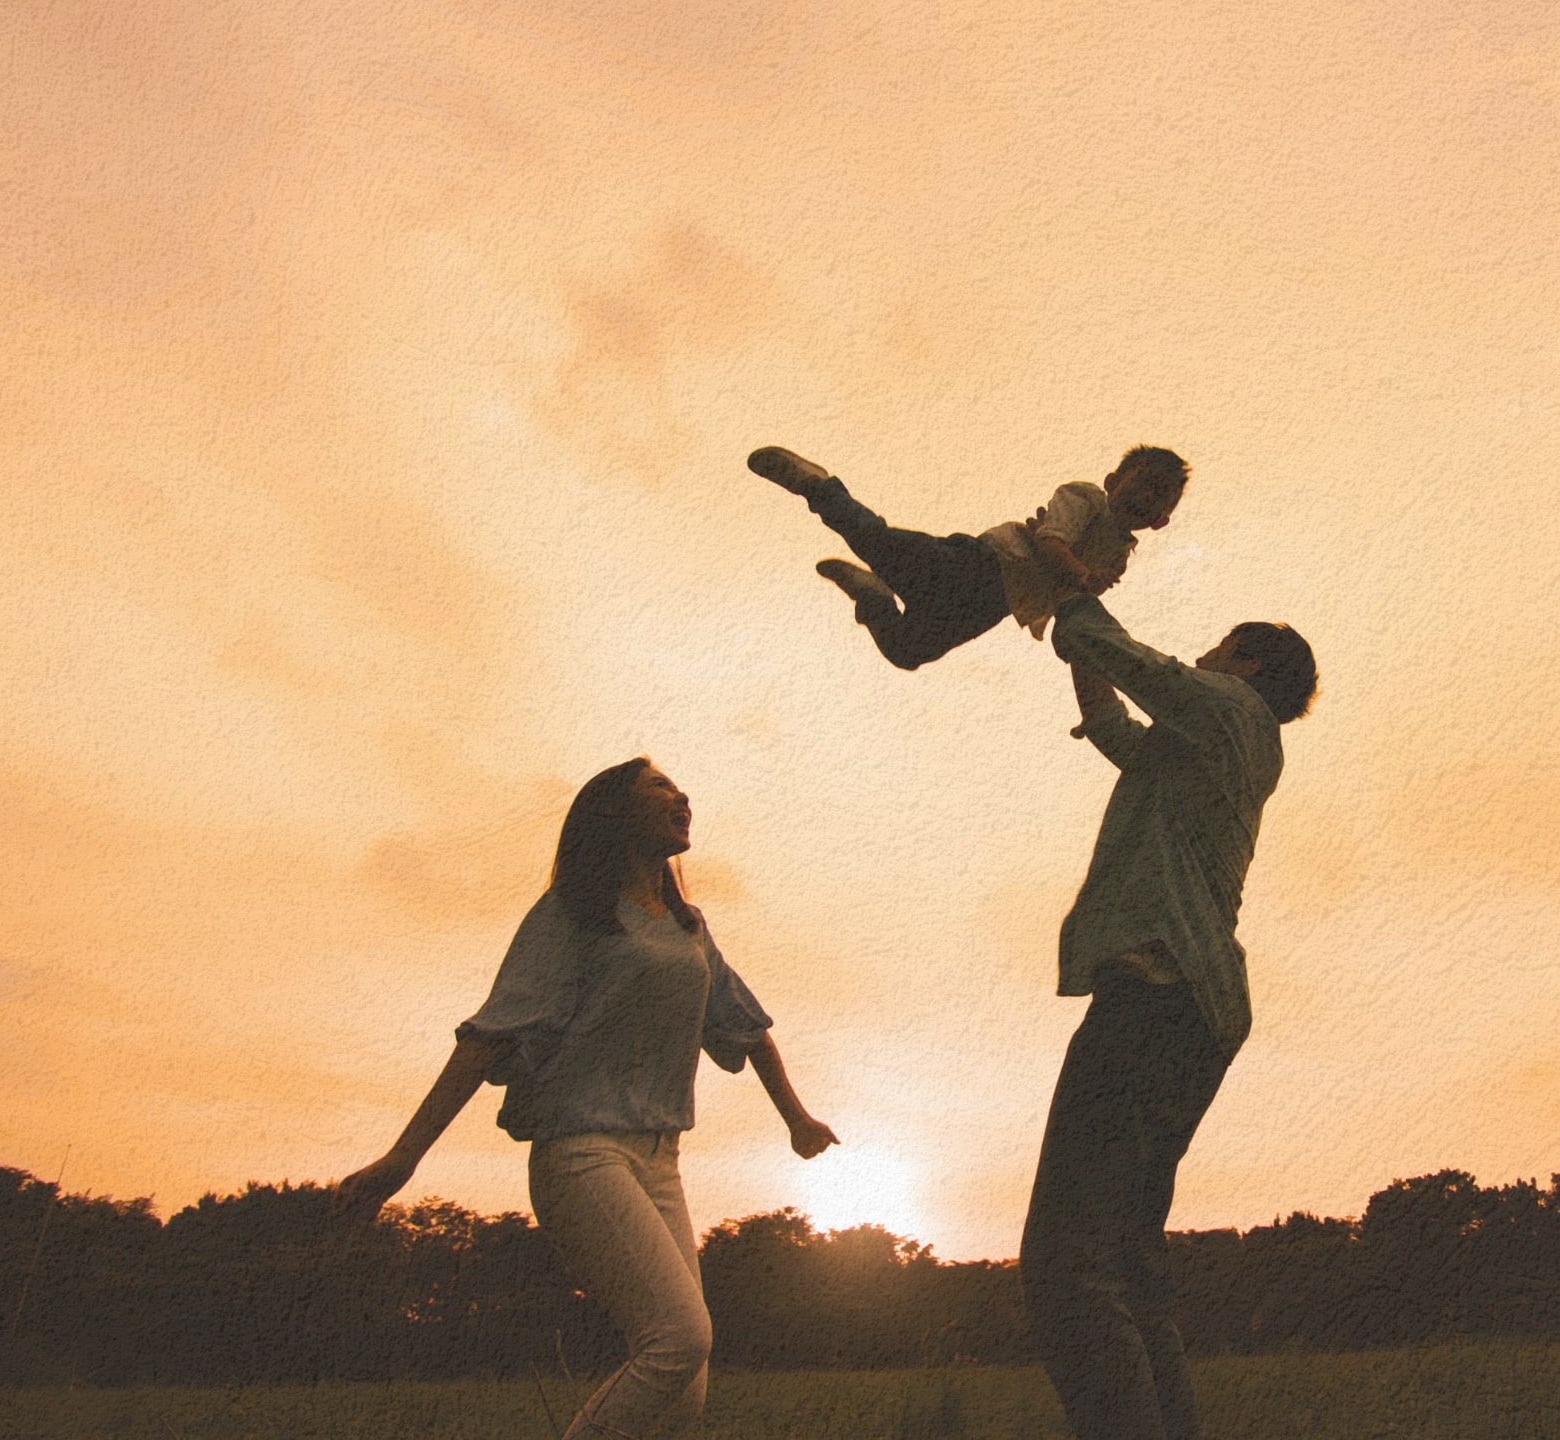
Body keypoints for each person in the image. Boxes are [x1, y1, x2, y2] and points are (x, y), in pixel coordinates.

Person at [333, 758, 837, 1440]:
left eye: (678, 785)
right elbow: (489, 1036)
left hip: (662, 1161)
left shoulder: (687, 927)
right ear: (614, 815)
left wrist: (797, 1120)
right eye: (659, 786)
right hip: (582, 1156)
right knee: (677, 1340)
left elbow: (744, 1026)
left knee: (683, 1396)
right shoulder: (573, 916)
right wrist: (403, 1157)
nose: (680, 794)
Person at [1021, 592, 1317, 1440]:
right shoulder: (1212, 742)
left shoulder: (1228, 706)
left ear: (1249, 663)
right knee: (1124, 1262)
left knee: (1066, 1265)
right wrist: (1082, 655)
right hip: (1194, 1007)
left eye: (1219, 645)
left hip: (1158, 992)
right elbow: (1118, 727)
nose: (1204, 655)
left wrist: (1071, 583)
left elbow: (1133, 661)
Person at [746, 443, 1190, 670]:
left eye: (1162, 496)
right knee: (876, 541)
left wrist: (1081, 624)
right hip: (980, 566)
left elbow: (1074, 599)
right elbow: (1052, 542)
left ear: (1162, 520)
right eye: (1145, 481)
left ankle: (873, 597)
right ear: (1114, 480)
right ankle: (818, 487)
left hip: (994, 606)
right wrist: (1082, 575)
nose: (1149, 495)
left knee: (908, 651)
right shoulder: (1086, 497)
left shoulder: (1122, 553)